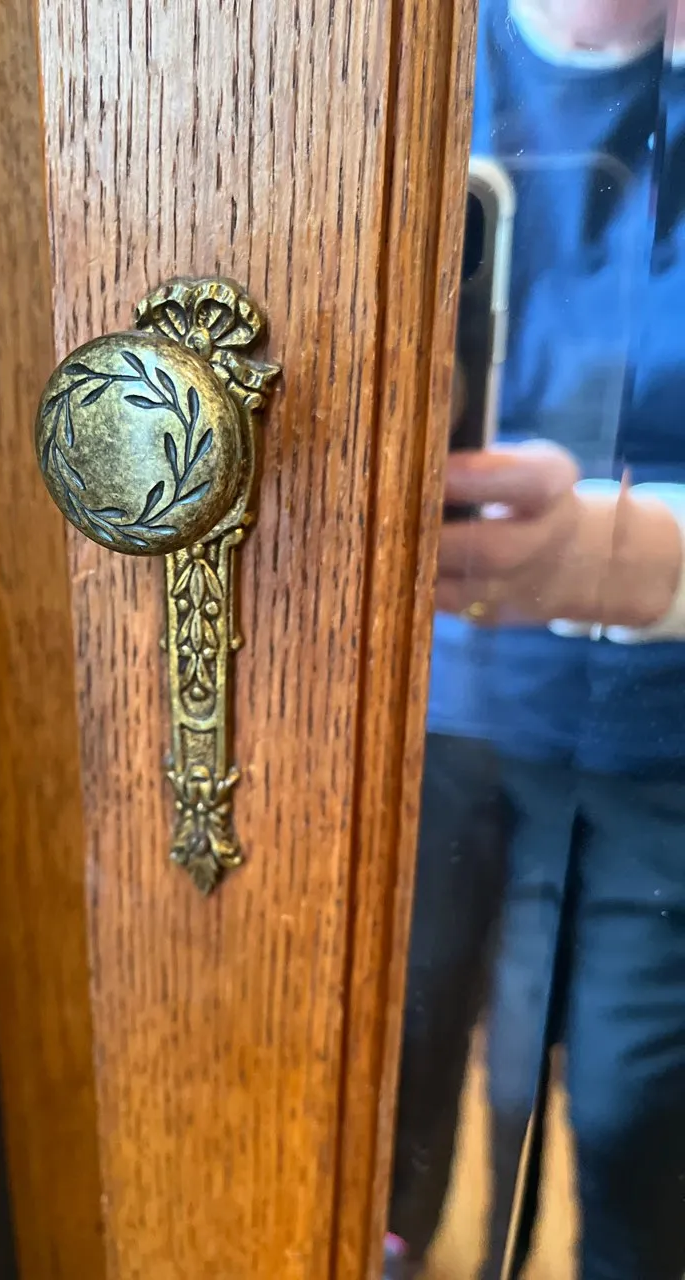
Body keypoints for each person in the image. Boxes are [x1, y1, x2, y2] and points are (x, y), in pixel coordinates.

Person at [386, 2, 685, 1277]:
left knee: (629, 1122)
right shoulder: (403, 57)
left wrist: (655, 560)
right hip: (431, 700)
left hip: (661, 741)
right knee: (391, 1083)